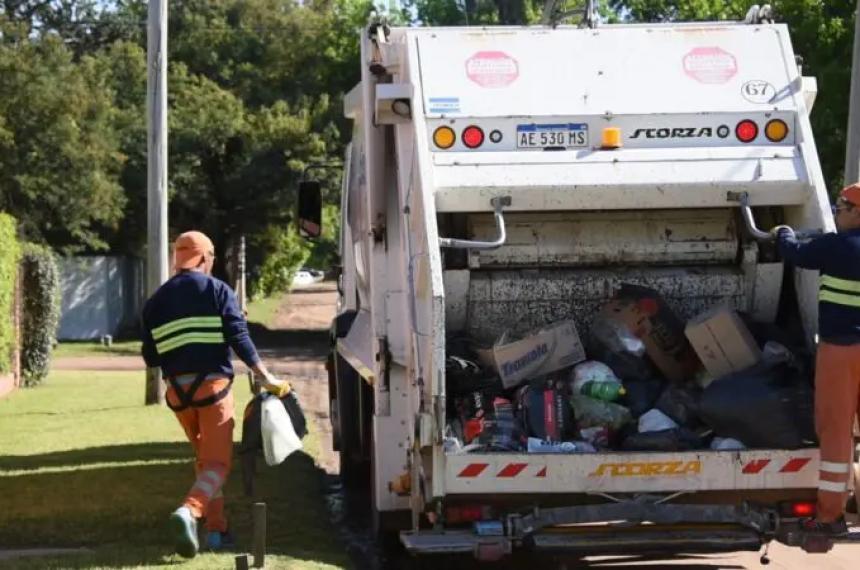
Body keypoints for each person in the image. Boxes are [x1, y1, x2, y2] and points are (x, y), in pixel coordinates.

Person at [141, 230, 285, 557]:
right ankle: (189, 511)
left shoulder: (155, 302)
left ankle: (217, 530)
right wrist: (265, 376)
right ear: (205, 259)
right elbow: (239, 337)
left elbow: (150, 357)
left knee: (205, 462)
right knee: (218, 464)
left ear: (178, 259)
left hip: (178, 396)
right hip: (213, 391)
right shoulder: (218, 290)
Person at [775, 183, 860, 536]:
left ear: (857, 212)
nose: (836, 212)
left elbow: (795, 253)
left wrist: (783, 232)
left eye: (841, 206)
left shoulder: (836, 246)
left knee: (836, 430)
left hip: (841, 352)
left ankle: (829, 516)